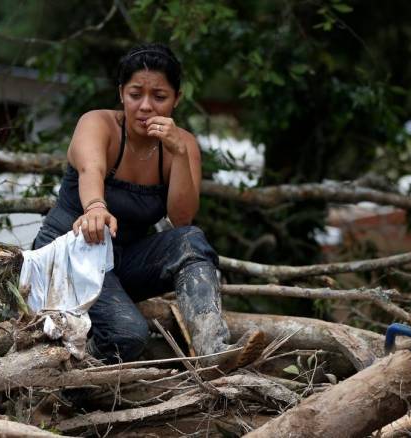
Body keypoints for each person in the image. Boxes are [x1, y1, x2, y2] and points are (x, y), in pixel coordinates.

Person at [32, 43, 266, 370]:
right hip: (69, 257)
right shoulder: (98, 124)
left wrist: (179, 154)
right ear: (121, 94)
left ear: (177, 99)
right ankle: (70, 375)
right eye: (135, 94)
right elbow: (90, 170)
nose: (145, 106)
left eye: (159, 97)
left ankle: (212, 350)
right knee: (128, 334)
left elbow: (182, 218)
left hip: (121, 263)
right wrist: (95, 207)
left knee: (191, 239)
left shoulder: (182, 144)